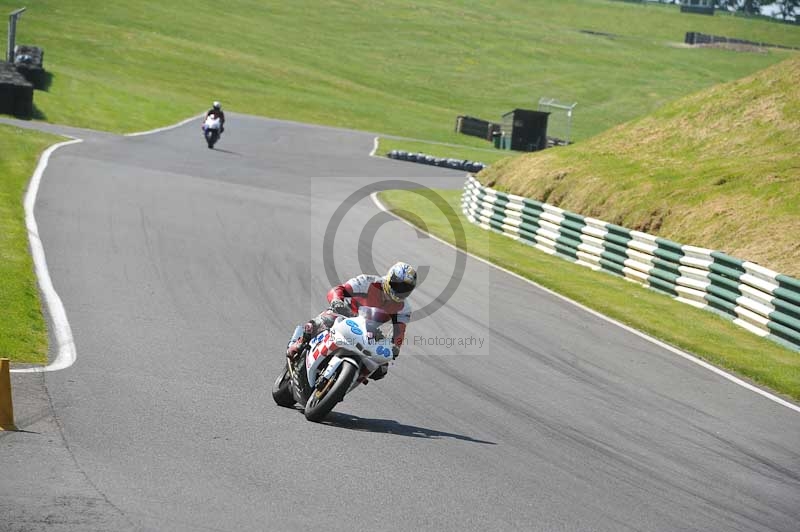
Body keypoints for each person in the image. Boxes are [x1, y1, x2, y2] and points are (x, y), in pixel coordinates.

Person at [286, 262, 417, 380]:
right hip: (345, 314)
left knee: (381, 369)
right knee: (323, 321)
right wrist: (337, 301)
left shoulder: (404, 308)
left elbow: (400, 331)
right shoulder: (368, 281)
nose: (400, 291)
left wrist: (395, 347)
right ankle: (300, 342)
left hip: (370, 330)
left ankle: (349, 379)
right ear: (389, 278)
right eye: (397, 286)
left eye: (405, 289)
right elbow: (339, 289)